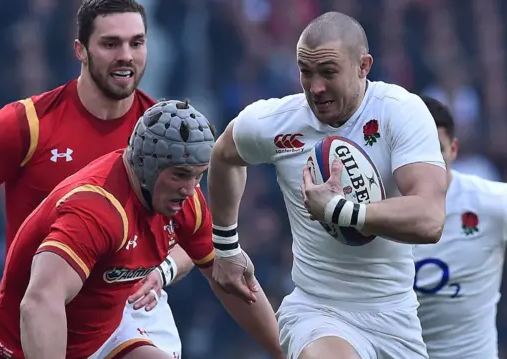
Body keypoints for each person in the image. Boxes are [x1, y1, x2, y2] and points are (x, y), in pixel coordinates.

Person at [0, 0, 192, 356]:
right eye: (110, 43)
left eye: (136, 43)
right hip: (37, 307)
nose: (126, 55)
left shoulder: (164, 130)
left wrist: (162, 272)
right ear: (80, 50)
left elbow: (193, 229)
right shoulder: (32, 123)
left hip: (126, 310)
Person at [207, 11, 447, 359]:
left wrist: (339, 210)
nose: (315, 87)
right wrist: (226, 247)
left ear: (363, 66)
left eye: (329, 72)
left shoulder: (400, 111)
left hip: (396, 315)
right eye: (306, 71)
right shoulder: (277, 122)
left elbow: (430, 219)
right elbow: (225, 155)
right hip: (317, 311)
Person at [0, 100, 285, 359]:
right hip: (18, 347)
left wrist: (285, 353)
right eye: (180, 175)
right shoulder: (95, 210)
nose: (191, 190)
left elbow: (228, 280)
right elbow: (40, 303)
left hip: (105, 334)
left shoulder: (184, 199)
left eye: (198, 176)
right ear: (147, 166)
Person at [413, 96, 507, 359]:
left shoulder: (491, 203)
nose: (428, 165)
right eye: (418, 151)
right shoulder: (371, 212)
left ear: (453, 149)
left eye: (437, 151)